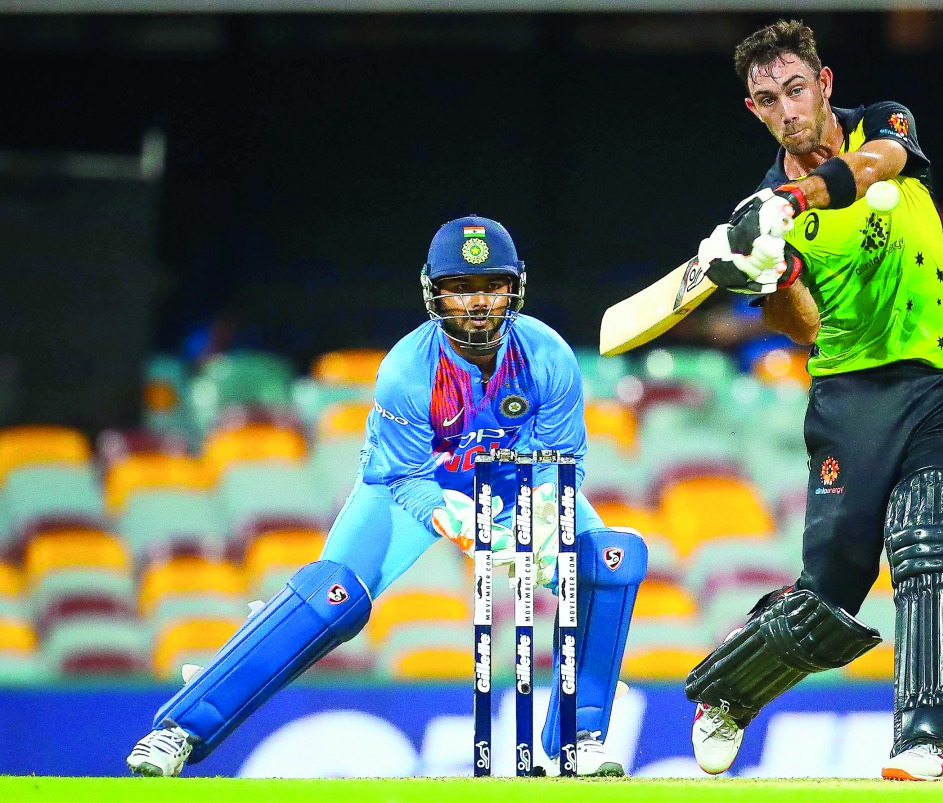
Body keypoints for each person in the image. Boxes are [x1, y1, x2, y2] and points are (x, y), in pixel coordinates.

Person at [126, 215, 646, 778]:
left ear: (513, 287)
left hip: (514, 483)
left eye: (490, 286)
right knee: (330, 595)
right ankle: (179, 730)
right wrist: (451, 516)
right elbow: (404, 476)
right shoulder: (406, 368)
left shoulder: (548, 356)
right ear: (433, 291)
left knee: (612, 560)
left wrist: (538, 519)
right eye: (460, 288)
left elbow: (560, 463)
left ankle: (581, 740)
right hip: (415, 487)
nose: (476, 303)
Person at [682, 21, 943, 782]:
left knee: (940, 537)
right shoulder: (762, 213)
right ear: (752, 110)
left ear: (824, 85)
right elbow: (805, 329)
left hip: (938, 383)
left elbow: (879, 163)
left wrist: (791, 200)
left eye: (796, 89)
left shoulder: (884, 123)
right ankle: (726, 691)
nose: (787, 110)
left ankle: (929, 740)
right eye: (767, 100)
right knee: (827, 597)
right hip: (849, 402)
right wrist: (764, 276)